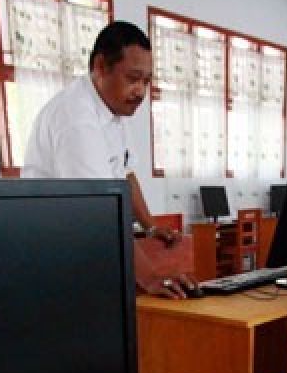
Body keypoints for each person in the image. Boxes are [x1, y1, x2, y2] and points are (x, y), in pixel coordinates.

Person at [23, 21, 195, 298]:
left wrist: (150, 226)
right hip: (53, 250)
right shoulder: (76, 118)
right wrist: (151, 277)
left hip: (86, 240)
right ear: (101, 66)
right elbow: (101, 211)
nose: (140, 91)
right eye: (133, 78)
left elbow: (124, 174)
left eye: (147, 81)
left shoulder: (113, 110)